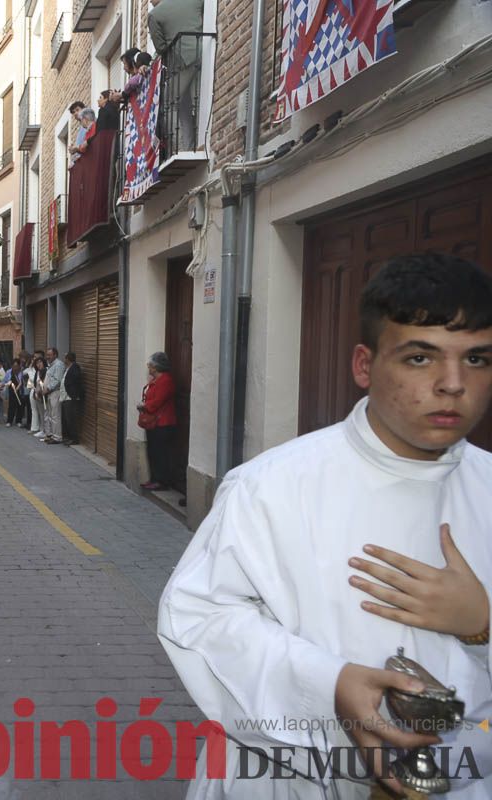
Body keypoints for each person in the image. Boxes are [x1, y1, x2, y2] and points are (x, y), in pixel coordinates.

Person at [158, 253, 492, 797]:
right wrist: (329, 684)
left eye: (476, 359)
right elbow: (197, 616)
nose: (453, 384)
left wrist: (481, 624)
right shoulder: (270, 486)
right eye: (419, 358)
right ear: (364, 365)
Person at [148, 0, 203, 152]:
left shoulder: (154, 15)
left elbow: (160, 48)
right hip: (203, 51)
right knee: (187, 101)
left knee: (167, 102)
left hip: (183, 60)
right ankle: (193, 144)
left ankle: (179, 148)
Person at [137, 352, 178, 491]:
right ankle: (154, 479)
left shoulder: (166, 381)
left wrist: (144, 406)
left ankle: (162, 481)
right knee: (153, 451)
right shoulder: (155, 380)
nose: (148, 367)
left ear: (156, 367)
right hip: (154, 422)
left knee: (160, 453)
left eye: (150, 365)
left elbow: (157, 402)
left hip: (163, 423)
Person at [37, 348, 66, 444]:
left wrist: (47, 388)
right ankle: (53, 435)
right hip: (49, 393)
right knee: (51, 415)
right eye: (47, 355)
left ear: (55, 355)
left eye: (50, 355)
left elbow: (57, 380)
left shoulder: (59, 365)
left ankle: (57, 437)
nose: (47, 357)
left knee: (55, 415)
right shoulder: (51, 365)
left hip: (55, 393)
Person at [58, 352, 84, 446]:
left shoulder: (75, 367)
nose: (64, 360)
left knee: (71, 419)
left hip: (70, 398)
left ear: (68, 359)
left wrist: (73, 393)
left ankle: (74, 439)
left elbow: (76, 381)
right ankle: (68, 437)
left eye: (65, 358)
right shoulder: (68, 368)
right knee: (66, 419)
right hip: (65, 398)